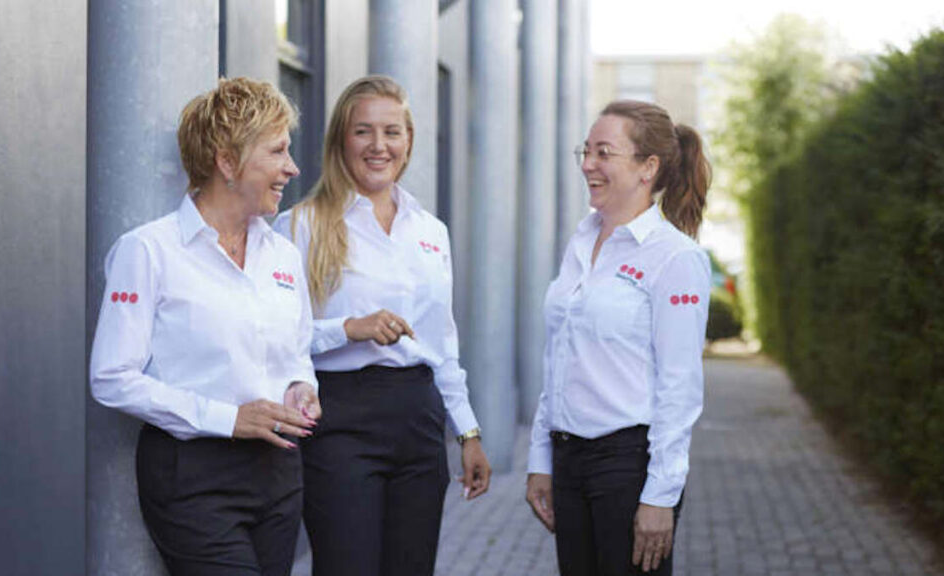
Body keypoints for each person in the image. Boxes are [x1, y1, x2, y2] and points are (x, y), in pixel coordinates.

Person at [89, 77, 322, 576]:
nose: (293, 167)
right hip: (192, 476)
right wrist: (226, 418)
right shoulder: (148, 251)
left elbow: (297, 352)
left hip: (279, 472)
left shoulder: (283, 254)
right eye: (277, 151)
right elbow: (111, 377)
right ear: (227, 162)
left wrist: (303, 386)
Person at [273, 75, 491, 576]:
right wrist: (349, 328)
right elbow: (278, 339)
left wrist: (468, 432)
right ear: (340, 140)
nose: (379, 145)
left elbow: (443, 343)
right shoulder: (300, 226)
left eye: (392, 132)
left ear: (409, 140)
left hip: (418, 418)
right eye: (363, 131)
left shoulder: (430, 231)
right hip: (338, 419)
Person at [525, 100, 712, 576]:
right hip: (569, 460)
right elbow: (559, 360)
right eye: (586, 151)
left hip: (628, 467)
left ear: (648, 167)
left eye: (604, 152)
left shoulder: (675, 258)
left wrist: (660, 496)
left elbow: (680, 387)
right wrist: (541, 460)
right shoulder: (582, 242)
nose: (588, 164)